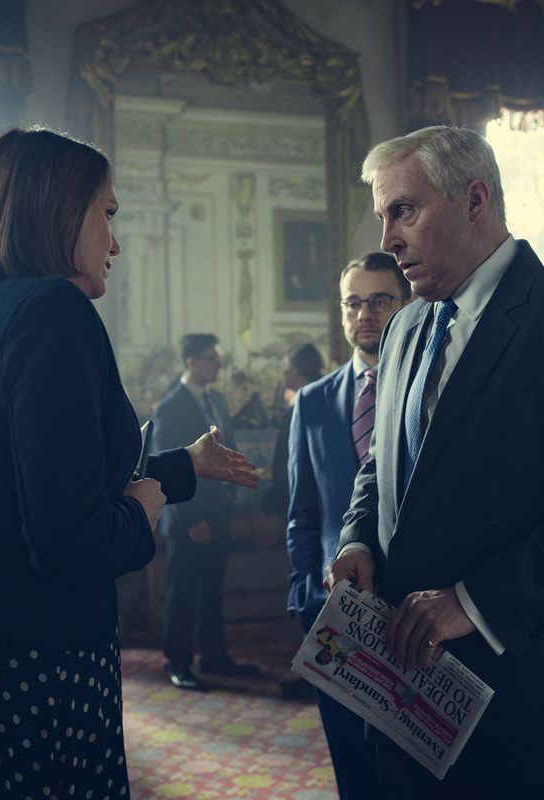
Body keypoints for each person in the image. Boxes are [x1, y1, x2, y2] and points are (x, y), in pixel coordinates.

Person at [0, 127, 258, 800]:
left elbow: (33, 473)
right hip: (35, 666)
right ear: (58, 210)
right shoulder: (52, 313)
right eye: (108, 213)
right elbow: (71, 539)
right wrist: (142, 513)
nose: (114, 242)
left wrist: (182, 468)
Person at [325, 126, 544, 798]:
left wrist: (474, 603)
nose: (389, 239)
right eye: (384, 217)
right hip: (403, 689)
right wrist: (358, 536)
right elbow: (381, 466)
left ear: (475, 198)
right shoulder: (405, 327)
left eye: (405, 210)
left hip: (531, 694)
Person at [287, 251, 410, 800]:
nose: (365, 314)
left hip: (412, 607)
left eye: (380, 300)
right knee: (352, 769)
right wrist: (302, 595)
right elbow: (302, 511)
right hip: (332, 611)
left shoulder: (426, 393)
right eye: (353, 302)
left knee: (413, 764)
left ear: (406, 304)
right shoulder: (312, 402)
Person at [152, 333, 259, 690]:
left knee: (212, 590)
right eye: (211, 358)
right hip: (188, 518)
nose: (218, 365)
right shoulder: (170, 406)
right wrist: (191, 519)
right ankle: (178, 662)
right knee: (181, 592)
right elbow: (165, 468)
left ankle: (214, 654)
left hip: (218, 511)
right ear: (191, 362)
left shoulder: (218, 400)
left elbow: (228, 452)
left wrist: (231, 492)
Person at [261, 341, 325, 520]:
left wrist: (274, 496)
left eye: (284, 366)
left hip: (305, 499)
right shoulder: (323, 397)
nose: (282, 372)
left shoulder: (304, 405)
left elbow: (293, 458)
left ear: (295, 370)